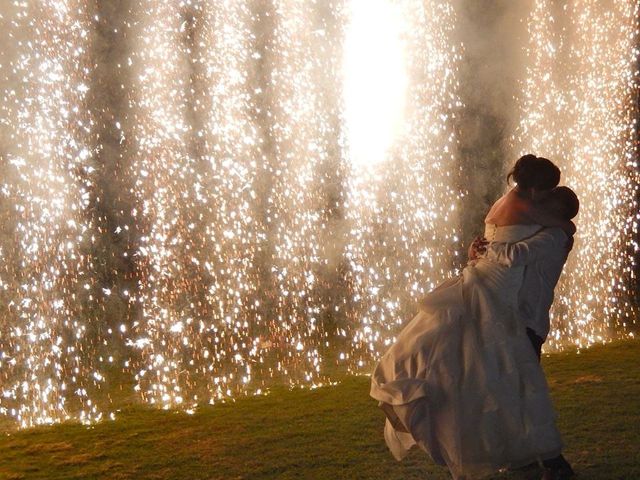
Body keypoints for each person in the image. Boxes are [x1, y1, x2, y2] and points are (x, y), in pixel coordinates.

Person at [370, 155, 572, 480]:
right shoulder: (533, 211)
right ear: (535, 188)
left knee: (490, 369)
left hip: (493, 285)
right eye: (546, 190)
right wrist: (565, 227)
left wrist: (480, 249)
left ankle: (529, 454)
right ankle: (544, 458)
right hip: (499, 293)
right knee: (506, 372)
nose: (547, 196)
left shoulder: (503, 203)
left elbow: (499, 240)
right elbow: (556, 228)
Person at [472, 186, 580, 480]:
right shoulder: (546, 232)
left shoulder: (554, 236)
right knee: (513, 391)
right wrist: (480, 254)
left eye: (547, 203)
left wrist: (488, 247)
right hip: (519, 319)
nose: (539, 207)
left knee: (526, 392)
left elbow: (517, 254)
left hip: (529, 323)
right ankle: (527, 459)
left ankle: (554, 463)